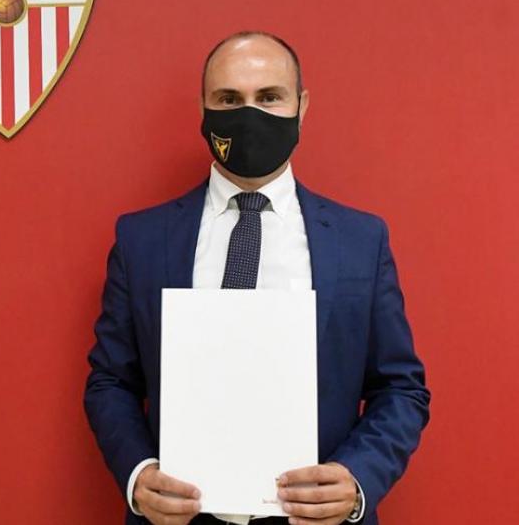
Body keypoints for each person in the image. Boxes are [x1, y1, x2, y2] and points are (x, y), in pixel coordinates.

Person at [83, 31, 430, 525]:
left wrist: (356, 481)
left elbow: (401, 389)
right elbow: (111, 380)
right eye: (229, 99)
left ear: (301, 106)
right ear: (204, 109)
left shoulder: (361, 240)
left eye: (269, 97)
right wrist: (138, 475)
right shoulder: (142, 239)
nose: (249, 115)